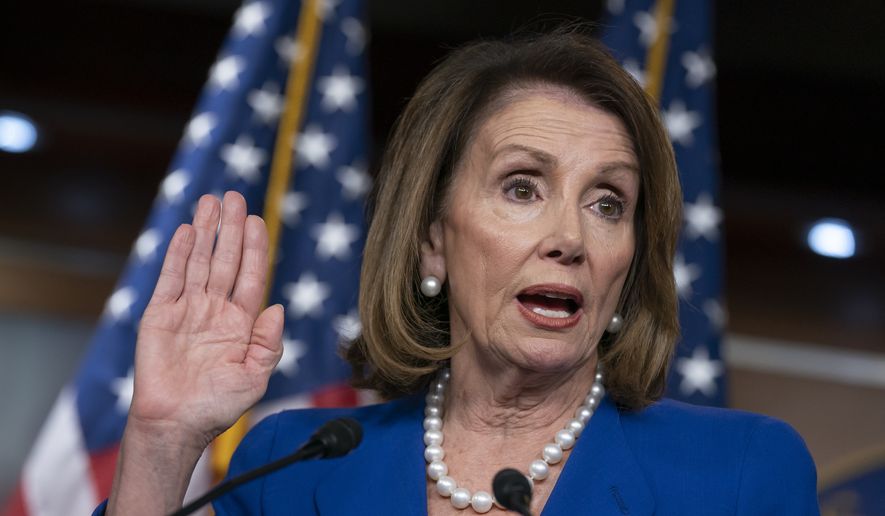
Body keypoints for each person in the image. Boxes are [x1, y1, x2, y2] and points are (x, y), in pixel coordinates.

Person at [100, 30, 819, 515]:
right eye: (521, 188)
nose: (569, 236)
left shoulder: (736, 474)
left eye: (608, 202)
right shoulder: (296, 467)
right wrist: (162, 439)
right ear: (431, 241)